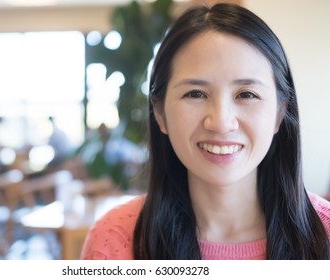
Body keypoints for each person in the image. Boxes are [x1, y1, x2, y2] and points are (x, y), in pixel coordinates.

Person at [80, 3, 330, 260]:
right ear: (159, 113)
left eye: (246, 94)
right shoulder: (114, 240)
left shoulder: (325, 231)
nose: (221, 122)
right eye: (196, 94)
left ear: (280, 113)